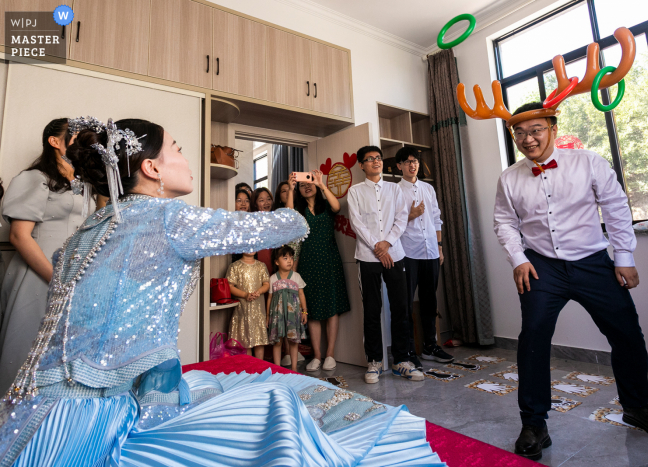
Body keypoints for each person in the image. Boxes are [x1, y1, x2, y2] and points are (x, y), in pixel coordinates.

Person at [0, 116, 444, 466]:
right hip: (105, 419)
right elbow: (279, 226)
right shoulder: (169, 218)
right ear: (152, 168)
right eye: (176, 148)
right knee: (276, 405)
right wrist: (294, 200)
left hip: (35, 409)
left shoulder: (87, 230)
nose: (184, 155)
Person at [493, 102, 648, 460]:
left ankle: (637, 407)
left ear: (551, 127)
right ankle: (534, 423)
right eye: (519, 132)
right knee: (532, 338)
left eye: (535, 129)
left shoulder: (588, 162)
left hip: (593, 262)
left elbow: (615, 206)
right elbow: (504, 222)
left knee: (626, 333)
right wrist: (518, 259)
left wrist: (623, 257)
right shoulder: (509, 177)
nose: (527, 139)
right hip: (541, 267)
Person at [0, 118, 87, 392]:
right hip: (38, 272)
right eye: (75, 138)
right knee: (28, 343)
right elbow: (19, 236)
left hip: (70, 273)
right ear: (54, 141)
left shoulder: (81, 183)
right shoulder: (35, 178)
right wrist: (57, 279)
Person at [347, 146, 423, 383]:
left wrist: (387, 243)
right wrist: (378, 248)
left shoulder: (394, 189)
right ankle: (375, 361)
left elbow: (402, 218)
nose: (375, 161)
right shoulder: (354, 191)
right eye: (370, 159)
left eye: (378, 158)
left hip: (395, 254)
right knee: (371, 310)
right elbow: (357, 224)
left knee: (401, 308)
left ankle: (402, 360)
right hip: (368, 257)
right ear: (361, 165)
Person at [395, 147, 454, 371]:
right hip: (408, 253)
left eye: (416, 161)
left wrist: (439, 247)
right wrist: (412, 215)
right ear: (399, 165)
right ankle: (409, 350)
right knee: (406, 303)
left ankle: (430, 346)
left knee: (430, 301)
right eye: (408, 161)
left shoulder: (428, 188)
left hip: (430, 250)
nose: (413, 165)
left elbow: (437, 218)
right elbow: (392, 222)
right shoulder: (395, 191)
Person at [287, 169, 350, 372]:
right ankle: (317, 355)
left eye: (310, 182)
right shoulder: (298, 209)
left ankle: (330, 354)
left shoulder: (326, 206)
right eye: (304, 184)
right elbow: (288, 217)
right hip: (308, 262)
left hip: (330, 261)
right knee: (311, 310)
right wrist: (290, 189)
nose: (307, 186)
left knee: (331, 307)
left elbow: (337, 206)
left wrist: (322, 184)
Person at [273, 180, 304, 367]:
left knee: (293, 308)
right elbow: (289, 212)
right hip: (281, 266)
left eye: (290, 190)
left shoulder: (299, 217)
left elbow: (298, 248)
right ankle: (285, 351)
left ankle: (293, 350)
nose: (287, 193)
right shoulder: (281, 216)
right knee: (281, 310)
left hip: (294, 264)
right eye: (283, 191)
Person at [267, 246, 307, 372]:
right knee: (277, 342)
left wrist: (304, 311)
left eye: (291, 257)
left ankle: (294, 369)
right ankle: (277, 369)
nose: (289, 261)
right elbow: (269, 298)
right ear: (277, 262)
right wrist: (267, 316)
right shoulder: (273, 278)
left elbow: (301, 295)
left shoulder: (296, 276)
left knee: (294, 341)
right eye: (285, 258)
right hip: (277, 316)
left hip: (293, 316)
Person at [227, 251, 270, 360]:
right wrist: (245, 295)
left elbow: (266, 284)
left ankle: (260, 367)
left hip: (258, 310)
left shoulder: (261, 265)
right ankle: (249, 369)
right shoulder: (235, 266)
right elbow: (229, 286)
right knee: (245, 340)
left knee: (259, 339)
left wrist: (259, 292)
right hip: (243, 310)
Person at [251, 187, 275, 274]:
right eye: (261, 200)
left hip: (275, 269)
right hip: (257, 270)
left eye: (269, 199)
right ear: (255, 204)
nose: (266, 203)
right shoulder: (251, 223)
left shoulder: (276, 221)